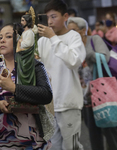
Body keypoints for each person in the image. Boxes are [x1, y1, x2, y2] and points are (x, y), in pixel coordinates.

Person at [0, 23, 55, 150]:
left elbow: (46, 94)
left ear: (19, 40)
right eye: (0, 37)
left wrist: (14, 88)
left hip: (32, 140)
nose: (2, 40)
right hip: (0, 140)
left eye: (7, 36)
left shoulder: (33, 65)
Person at [37, 0, 86, 149]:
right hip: (49, 104)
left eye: (54, 17)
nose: (50, 22)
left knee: (72, 146)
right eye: (47, 18)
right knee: (52, 146)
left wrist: (53, 38)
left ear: (65, 16)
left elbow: (73, 61)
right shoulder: (42, 40)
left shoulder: (74, 37)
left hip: (68, 102)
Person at [67, 16, 117, 150]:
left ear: (83, 30)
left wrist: (85, 49)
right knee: (93, 133)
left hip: (101, 92)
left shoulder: (93, 40)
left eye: (73, 30)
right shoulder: (71, 47)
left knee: (109, 131)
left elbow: (104, 56)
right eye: (68, 31)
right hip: (85, 96)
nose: (70, 34)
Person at [16, 6, 36, 86]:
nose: (21, 22)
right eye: (21, 20)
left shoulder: (30, 32)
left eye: (23, 21)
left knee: (25, 73)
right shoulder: (24, 32)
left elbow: (29, 43)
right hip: (22, 56)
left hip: (27, 56)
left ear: (27, 22)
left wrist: (21, 42)